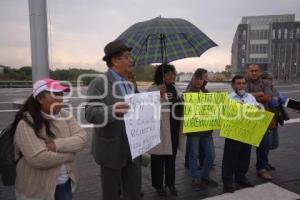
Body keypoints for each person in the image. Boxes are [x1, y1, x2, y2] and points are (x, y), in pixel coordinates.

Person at [85, 40, 141, 200]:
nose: (131, 61)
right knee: (111, 194)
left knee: (134, 192)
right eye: (127, 57)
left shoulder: (129, 83)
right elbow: (90, 113)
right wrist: (113, 110)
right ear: (115, 60)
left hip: (133, 148)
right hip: (111, 150)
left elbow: (137, 107)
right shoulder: (99, 83)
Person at [13, 78, 87, 200]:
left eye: (61, 94)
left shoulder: (65, 115)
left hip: (64, 183)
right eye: (55, 94)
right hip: (36, 188)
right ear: (40, 99)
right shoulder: (26, 122)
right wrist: (69, 155)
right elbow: (37, 158)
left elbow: (82, 139)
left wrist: (56, 145)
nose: (60, 98)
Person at [148, 64, 182, 196]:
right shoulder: (153, 88)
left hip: (174, 129)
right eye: (167, 73)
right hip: (160, 131)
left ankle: (171, 183)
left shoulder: (176, 88)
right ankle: (158, 186)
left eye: (172, 73)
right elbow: (149, 109)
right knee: (158, 159)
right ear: (160, 75)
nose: (171, 76)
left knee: (171, 159)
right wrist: (159, 95)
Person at [222, 75, 257, 193]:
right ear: (233, 85)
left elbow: (256, 111)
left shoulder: (251, 97)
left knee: (245, 156)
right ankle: (227, 182)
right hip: (233, 132)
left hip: (247, 132)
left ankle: (241, 177)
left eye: (243, 83)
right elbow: (223, 114)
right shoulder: (228, 98)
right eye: (238, 83)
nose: (241, 85)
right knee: (230, 159)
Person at [185, 68, 218, 187]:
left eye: (202, 78)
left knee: (211, 155)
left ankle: (205, 176)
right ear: (192, 78)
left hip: (206, 131)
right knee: (193, 155)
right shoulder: (187, 94)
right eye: (197, 78)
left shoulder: (207, 93)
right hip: (193, 131)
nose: (199, 81)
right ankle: (194, 178)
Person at [245, 63, 272, 180]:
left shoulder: (266, 83)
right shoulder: (243, 82)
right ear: (247, 71)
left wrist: (250, 97)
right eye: (252, 71)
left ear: (259, 72)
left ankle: (261, 168)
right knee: (245, 148)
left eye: (256, 70)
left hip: (262, 119)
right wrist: (260, 93)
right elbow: (242, 98)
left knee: (264, 146)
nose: (254, 73)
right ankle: (242, 170)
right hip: (246, 119)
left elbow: (268, 97)